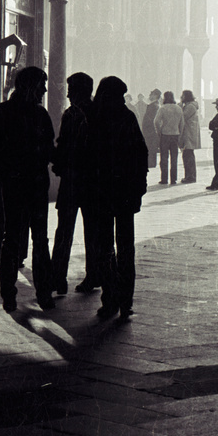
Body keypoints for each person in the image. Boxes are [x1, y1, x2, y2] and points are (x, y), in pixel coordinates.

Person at [0, 66, 55, 313]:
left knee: (12, 239)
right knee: (35, 240)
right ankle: (41, 293)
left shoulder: (3, 112)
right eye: (41, 85)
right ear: (31, 86)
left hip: (18, 185)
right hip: (28, 184)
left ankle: (11, 295)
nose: (44, 89)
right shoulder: (38, 114)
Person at [86, 76, 148, 320]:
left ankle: (111, 299)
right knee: (124, 248)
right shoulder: (126, 117)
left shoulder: (95, 118)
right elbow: (140, 153)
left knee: (105, 248)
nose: (121, 101)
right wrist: (138, 186)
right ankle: (124, 301)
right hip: (122, 194)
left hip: (103, 193)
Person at [51, 71, 100, 295]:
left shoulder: (71, 114)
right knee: (93, 232)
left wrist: (59, 164)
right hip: (91, 182)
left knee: (64, 231)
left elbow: (63, 144)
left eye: (71, 89)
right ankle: (93, 275)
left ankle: (58, 277)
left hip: (72, 181)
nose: (68, 93)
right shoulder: (97, 112)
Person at [153, 90, 184, 185]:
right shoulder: (178, 108)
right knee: (174, 158)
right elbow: (182, 123)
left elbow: (156, 121)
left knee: (164, 158)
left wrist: (159, 131)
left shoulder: (163, 108)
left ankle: (164, 179)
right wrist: (180, 134)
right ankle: (173, 179)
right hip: (175, 134)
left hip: (165, 135)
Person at [179, 89, 200, 183]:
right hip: (188, 132)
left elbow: (183, 116)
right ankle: (188, 176)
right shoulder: (189, 105)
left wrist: (179, 107)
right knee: (187, 155)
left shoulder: (191, 106)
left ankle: (190, 176)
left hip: (189, 133)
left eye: (183, 96)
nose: (181, 97)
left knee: (188, 155)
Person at [141, 88, 161, 169]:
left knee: (150, 147)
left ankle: (151, 163)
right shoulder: (154, 105)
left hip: (150, 131)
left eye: (151, 94)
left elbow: (151, 120)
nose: (150, 95)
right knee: (150, 147)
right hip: (150, 130)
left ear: (155, 96)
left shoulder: (154, 106)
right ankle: (150, 162)